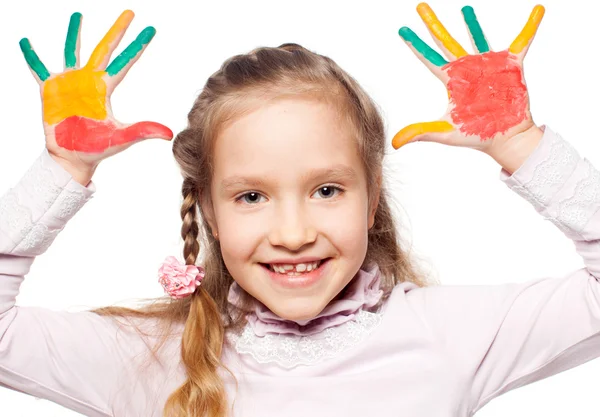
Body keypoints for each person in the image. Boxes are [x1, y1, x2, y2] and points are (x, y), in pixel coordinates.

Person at [1, 3, 599, 417]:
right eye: (252, 197)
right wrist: (65, 170)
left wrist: (522, 145)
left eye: (327, 191)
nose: (293, 233)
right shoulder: (146, 357)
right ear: (209, 212)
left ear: (372, 202)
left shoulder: (454, 334)